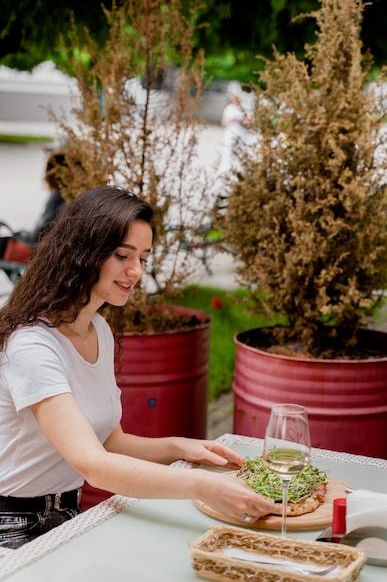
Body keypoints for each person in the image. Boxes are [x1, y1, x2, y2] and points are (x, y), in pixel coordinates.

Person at [0, 185, 279, 549]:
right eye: (122, 255)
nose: (136, 271)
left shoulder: (97, 328)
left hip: (66, 514)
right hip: (12, 527)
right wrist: (204, 486)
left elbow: (110, 441)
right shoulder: (32, 345)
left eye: (144, 258)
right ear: (83, 253)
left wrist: (181, 447)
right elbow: (93, 464)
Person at [219, 81, 254, 178]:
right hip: (230, 134)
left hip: (241, 135)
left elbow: (250, 121)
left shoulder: (245, 108)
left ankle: (239, 173)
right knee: (227, 152)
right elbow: (223, 122)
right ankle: (225, 171)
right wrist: (231, 120)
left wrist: (241, 121)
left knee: (240, 154)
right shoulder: (229, 108)